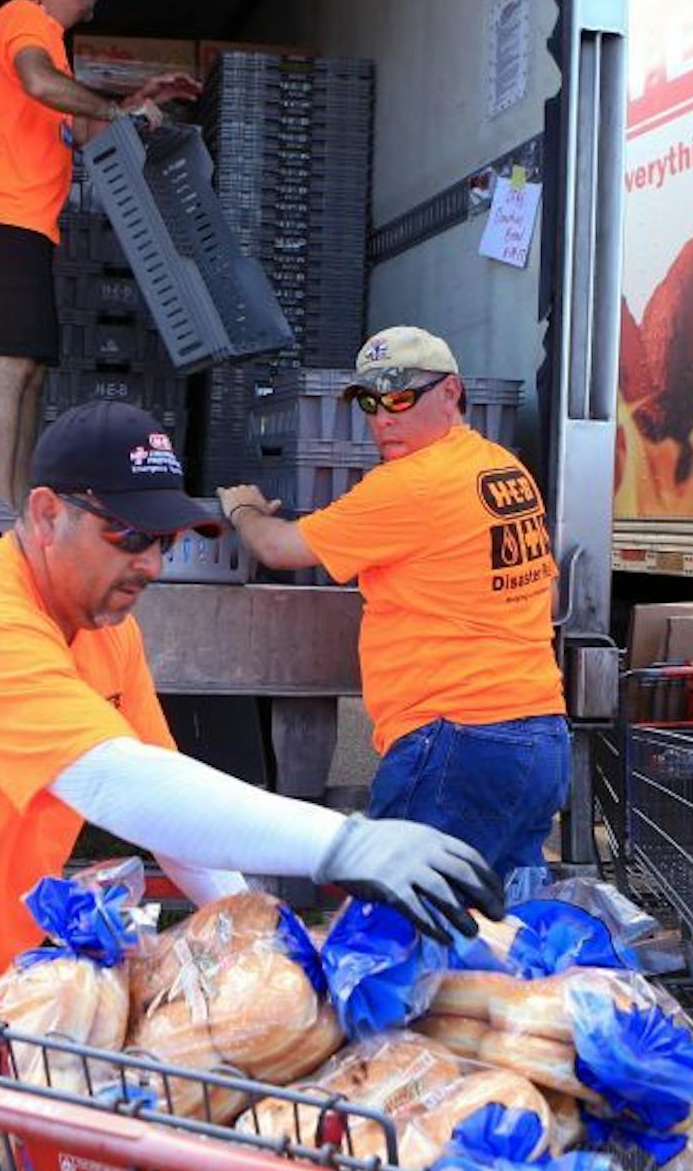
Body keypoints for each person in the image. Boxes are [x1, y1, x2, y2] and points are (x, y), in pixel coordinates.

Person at [0, 400, 503, 1171]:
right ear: (47, 514)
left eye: (165, 540)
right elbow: (114, 782)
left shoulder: (102, 623)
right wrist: (343, 841)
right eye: (130, 535)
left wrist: (263, 942)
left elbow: (165, 793)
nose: (154, 562)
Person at [220, 326, 569, 891]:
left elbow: (278, 549)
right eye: (369, 401)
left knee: (398, 937)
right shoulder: (503, 470)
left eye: (402, 397)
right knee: (502, 937)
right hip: (540, 738)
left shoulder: (411, 485)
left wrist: (244, 509)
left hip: (456, 742)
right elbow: (545, 595)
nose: (384, 417)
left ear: (451, 393)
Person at [0, 0, 199, 506]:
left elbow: (83, 130)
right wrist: (118, 107)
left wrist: (138, 98)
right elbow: (40, 84)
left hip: (30, 223)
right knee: (10, 363)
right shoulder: (23, 19)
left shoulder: (57, 52)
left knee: (32, 370)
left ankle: (14, 510)